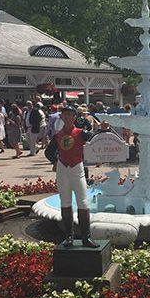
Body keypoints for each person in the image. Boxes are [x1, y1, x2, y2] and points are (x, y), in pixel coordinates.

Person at [46, 106, 98, 248]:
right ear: (61, 117)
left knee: (83, 202)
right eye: (65, 115)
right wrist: (55, 161)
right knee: (65, 202)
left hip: (77, 168)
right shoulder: (57, 135)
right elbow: (48, 152)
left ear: (74, 117)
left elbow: (96, 140)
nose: (67, 117)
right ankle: (69, 236)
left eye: (70, 115)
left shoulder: (81, 133)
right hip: (63, 170)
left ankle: (86, 237)